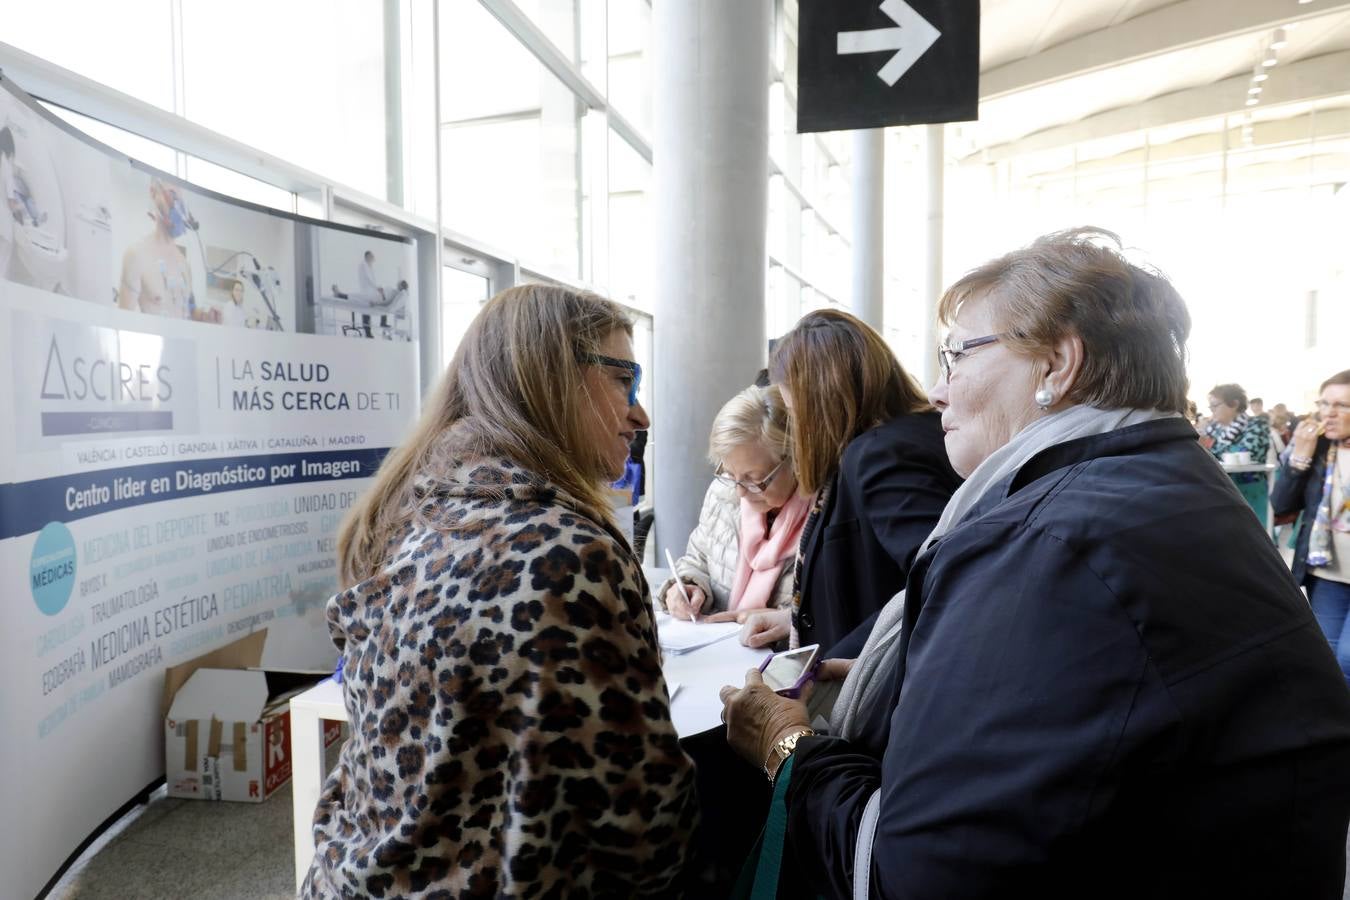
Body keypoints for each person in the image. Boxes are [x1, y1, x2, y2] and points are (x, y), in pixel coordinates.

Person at [720, 228, 1350, 899]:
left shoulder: (1049, 542)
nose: (937, 389)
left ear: (1057, 365)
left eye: (957, 355)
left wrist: (788, 747)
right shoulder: (1164, 487)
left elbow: (918, 873)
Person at [302, 285, 697, 898]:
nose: (641, 415)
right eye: (626, 380)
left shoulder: (407, 517)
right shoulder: (565, 556)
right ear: (552, 382)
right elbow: (642, 832)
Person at [738, 309, 961, 656]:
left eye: (796, 410)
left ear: (820, 399)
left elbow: (938, 581)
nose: (797, 424)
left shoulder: (879, 454)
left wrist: (838, 663)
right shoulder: (916, 434)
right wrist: (796, 618)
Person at [657, 384, 809, 619]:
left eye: (755, 479)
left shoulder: (824, 515)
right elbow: (698, 560)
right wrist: (687, 586)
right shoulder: (722, 493)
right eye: (729, 473)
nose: (740, 493)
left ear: (795, 460)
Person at [1273, 370, 1350, 685]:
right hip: (1326, 572)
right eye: (1324, 403)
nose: (1329, 413)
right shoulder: (1315, 446)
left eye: (1342, 406)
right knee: (1328, 656)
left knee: (1348, 656)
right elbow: (1281, 506)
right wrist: (1299, 460)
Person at [117, 178, 195, 318]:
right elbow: (122, 322)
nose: (177, 207)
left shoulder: (184, 264)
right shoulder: (137, 255)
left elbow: (188, 315)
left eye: (181, 202)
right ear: (153, 192)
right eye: (172, 195)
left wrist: (205, 318)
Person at [1202, 383, 1270, 483]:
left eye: (1215, 405)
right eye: (1210, 407)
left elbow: (1247, 456)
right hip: (1216, 488)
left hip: (1247, 492)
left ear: (1234, 404)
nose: (1212, 410)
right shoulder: (1213, 429)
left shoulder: (1257, 425)